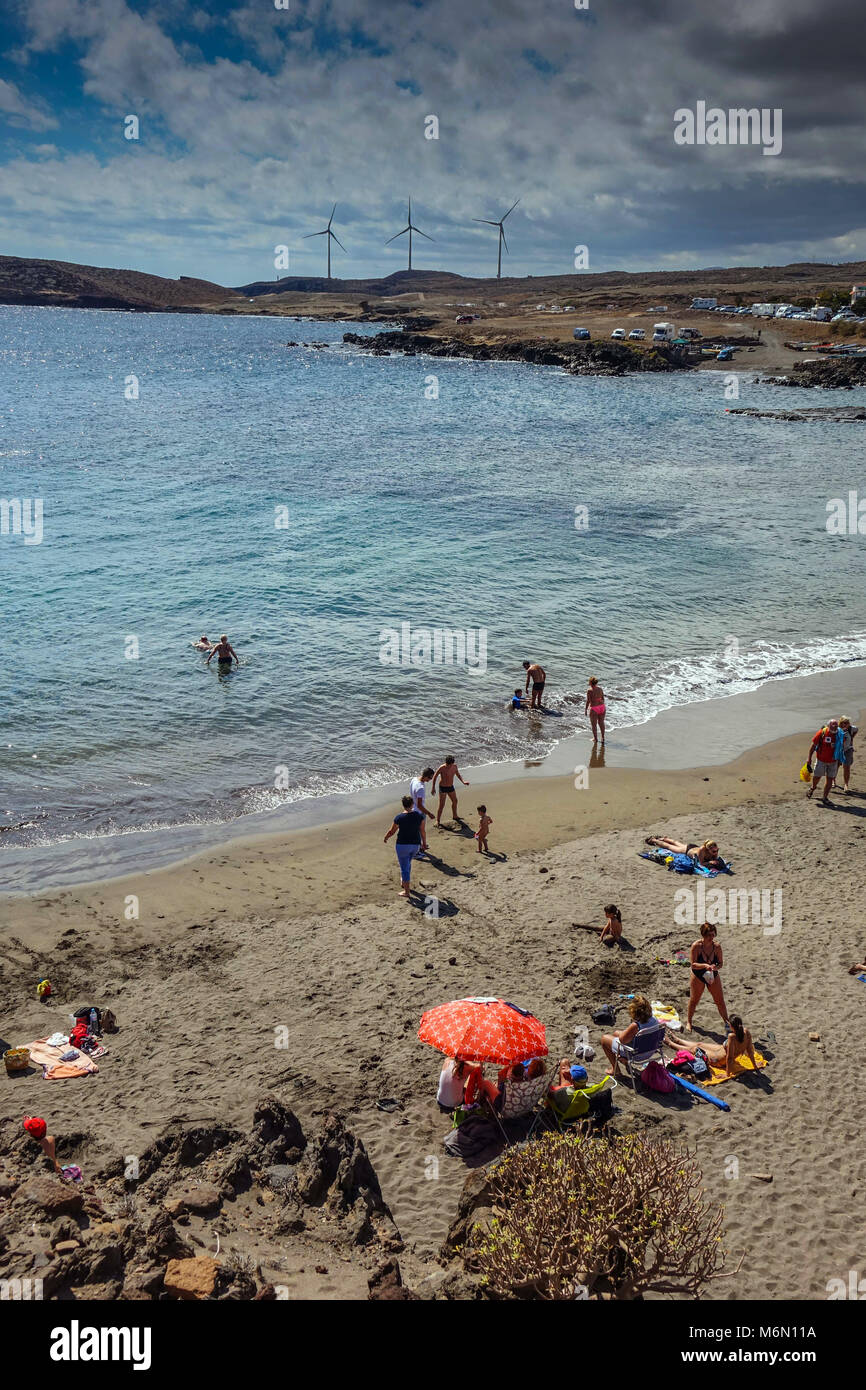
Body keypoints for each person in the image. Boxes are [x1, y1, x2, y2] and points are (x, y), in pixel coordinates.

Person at [668, 1015, 757, 1076]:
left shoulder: (732, 1037)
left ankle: (671, 1043)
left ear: (732, 1026)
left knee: (695, 1049)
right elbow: (750, 1050)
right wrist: (755, 1066)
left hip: (719, 1060)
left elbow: (729, 1058)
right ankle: (678, 1040)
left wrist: (727, 1074)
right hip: (722, 1050)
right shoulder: (746, 1032)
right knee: (700, 1044)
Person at [600, 995, 655, 1076]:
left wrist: (628, 1029)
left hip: (637, 1055)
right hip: (650, 1050)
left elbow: (622, 1040)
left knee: (604, 1039)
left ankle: (616, 1070)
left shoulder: (636, 1025)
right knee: (616, 1033)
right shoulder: (654, 1020)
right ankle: (623, 1059)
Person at [687, 923, 728, 1031]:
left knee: (720, 1000)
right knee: (694, 1000)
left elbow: (721, 963)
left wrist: (715, 967)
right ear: (703, 935)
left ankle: (727, 1023)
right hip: (698, 975)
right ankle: (689, 1022)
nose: (711, 937)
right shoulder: (696, 946)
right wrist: (705, 965)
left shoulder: (717, 947)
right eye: (709, 935)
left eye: (713, 935)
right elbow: (693, 964)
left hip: (712, 974)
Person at [383, 794, 424, 898]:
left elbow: (392, 831)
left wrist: (386, 837)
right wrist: (424, 843)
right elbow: (422, 830)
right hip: (415, 845)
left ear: (403, 805)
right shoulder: (419, 816)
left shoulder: (399, 817)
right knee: (408, 863)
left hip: (402, 845)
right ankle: (404, 882)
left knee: (404, 868)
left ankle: (407, 892)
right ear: (412, 804)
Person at [806, 720, 841, 802]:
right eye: (833, 725)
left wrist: (840, 759)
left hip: (833, 761)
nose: (835, 727)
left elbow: (840, 748)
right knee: (817, 776)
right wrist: (809, 758)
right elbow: (813, 745)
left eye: (836, 725)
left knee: (830, 779)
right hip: (821, 760)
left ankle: (825, 797)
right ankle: (813, 788)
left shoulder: (840, 734)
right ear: (828, 726)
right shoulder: (822, 733)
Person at [645, 836, 724, 869]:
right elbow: (701, 863)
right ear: (708, 849)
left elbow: (714, 858)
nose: (716, 852)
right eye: (714, 851)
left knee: (677, 843)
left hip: (693, 847)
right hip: (688, 851)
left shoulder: (713, 849)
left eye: (717, 850)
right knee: (670, 847)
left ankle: (664, 838)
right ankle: (654, 840)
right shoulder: (702, 851)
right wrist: (710, 862)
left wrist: (714, 859)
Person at [432, 755, 469, 827]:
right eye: (448, 765)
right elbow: (435, 777)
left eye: (451, 765)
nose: (450, 767)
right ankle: (438, 820)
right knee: (442, 805)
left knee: (455, 801)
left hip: (450, 787)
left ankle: (455, 816)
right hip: (443, 788)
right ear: (446, 763)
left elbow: (458, 774)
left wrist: (463, 781)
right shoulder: (442, 768)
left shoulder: (454, 766)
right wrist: (433, 787)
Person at [410, 767, 435, 853]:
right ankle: (419, 848)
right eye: (430, 778)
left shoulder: (414, 779)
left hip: (413, 810)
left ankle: (423, 844)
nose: (430, 780)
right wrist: (429, 813)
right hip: (419, 812)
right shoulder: (420, 788)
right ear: (426, 776)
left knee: (420, 830)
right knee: (420, 831)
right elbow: (420, 805)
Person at [837, 716, 858, 792]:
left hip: (848, 749)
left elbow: (857, 729)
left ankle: (846, 784)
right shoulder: (837, 729)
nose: (846, 724)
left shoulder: (852, 728)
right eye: (844, 723)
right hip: (838, 751)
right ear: (841, 723)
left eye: (848, 723)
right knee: (836, 766)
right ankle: (833, 781)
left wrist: (852, 737)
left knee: (847, 767)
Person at [585, 676, 607, 744]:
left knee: (594, 725)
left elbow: (588, 701)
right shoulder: (600, 689)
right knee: (601, 722)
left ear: (590, 682)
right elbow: (603, 698)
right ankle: (603, 737)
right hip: (602, 707)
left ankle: (595, 738)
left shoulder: (589, 691)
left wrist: (586, 709)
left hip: (594, 708)